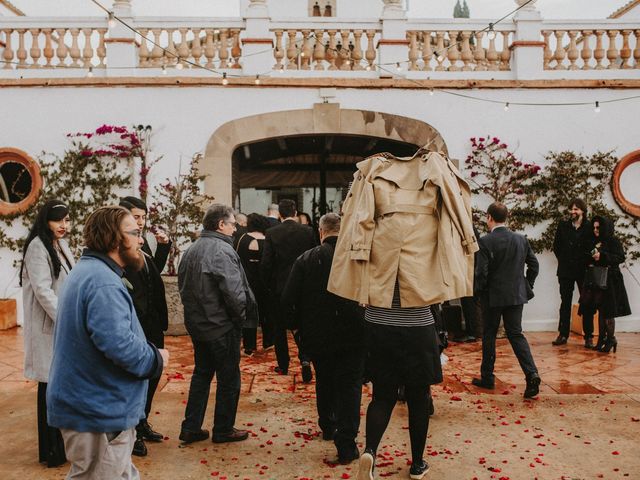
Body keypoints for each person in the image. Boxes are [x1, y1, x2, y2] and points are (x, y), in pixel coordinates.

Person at [47, 206, 168, 480]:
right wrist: (156, 358)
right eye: (135, 233)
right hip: (97, 412)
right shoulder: (102, 282)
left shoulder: (92, 272)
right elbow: (119, 345)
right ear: (114, 239)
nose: (140, 240)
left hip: (96, 408)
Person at [282, 213, 365, 464]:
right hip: (354, 334)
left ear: (321, 232)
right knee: (350, 387)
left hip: (318, 336)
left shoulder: (306, 260)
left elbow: (288, 301)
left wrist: (297, 329)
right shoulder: (357, 258)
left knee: (325, 380)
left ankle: (327, 425)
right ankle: (346, 445)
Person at [178, 204, 256, 444]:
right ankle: (223, 429)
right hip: (221, 326)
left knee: (202, 374)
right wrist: (239, 319)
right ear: (221, 225)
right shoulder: (222, 250)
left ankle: (191, 427)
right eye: (233, 224)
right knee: (229, 378)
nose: (235, 228)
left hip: (200, 325)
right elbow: (234, 293)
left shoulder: (191, 250)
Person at [21, 199, 74, 468]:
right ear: (46, 221)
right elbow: (43, 290)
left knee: (59, 386)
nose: (64, 225)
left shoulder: (60, 245)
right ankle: (50, 451)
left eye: (66, 220)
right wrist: (65, 318)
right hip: (49, 326)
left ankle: (60, 446)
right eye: (58, 220)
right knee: (48, 388)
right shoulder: (37, 247)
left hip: (60, 326)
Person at [471, 202, 541, 399]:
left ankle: (487, 377)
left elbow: (481, 273)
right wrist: (527, 285)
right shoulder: (521, 240)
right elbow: (534, 265)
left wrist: (478, 292)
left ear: (489, 218)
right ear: (506, 218)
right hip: (516, 295)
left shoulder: (485, 242)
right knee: (516, 334)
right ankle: (531, 373)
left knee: (489, 334)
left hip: (492, 297)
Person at [119, 196, 171, 457]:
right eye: (136, 217)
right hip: (135, 324)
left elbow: (152, 272)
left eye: (143, 216)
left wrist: (163, 247)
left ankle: (143, 421)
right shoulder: (122, 246)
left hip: (152, 323)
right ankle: (134, 432)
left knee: (152, 377)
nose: (141, 222)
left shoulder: (142, 244)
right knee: (136, 379)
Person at [261, 199, 316, 381]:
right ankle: (306, 359)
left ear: (280, 215)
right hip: (303, 287)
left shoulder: (271, 233)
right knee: (305, 325)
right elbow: (314, 258)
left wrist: (267, 286)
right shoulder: (307, 231)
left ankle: (283, 365)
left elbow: (267, 264)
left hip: (280, 288)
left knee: (279, 329)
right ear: (295, 212)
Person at [579, 215, 631, 353]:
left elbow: (620, 257)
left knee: (608, 312)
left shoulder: (613, 241)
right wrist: (589, 258)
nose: (596, 230)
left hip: (611, 280)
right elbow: (585, 257)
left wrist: (602, 257)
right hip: (597, 280)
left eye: (598, 227)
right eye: (594, 227)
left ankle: (611, 339)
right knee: (601, 311)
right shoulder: (592, 241)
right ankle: (601, 339)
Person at [552, 198, 594, 347]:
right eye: (571, 209)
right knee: (565, 302)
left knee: (587, 302)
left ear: (583, 211)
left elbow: (592, 247)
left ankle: (588, 336)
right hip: (565, 270)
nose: (573, 212)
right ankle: (563, 334)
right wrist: (564, 260)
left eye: (576, 209)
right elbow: (556, 246)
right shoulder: (563, 226)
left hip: (583, 271)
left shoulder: (589, 227)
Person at [236, 213, 273, 354]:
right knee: (267, 312)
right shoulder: (268, 239)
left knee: (249, 315)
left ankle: (249, 347)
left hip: (247, 282)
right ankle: (269, 341)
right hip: (265, 282)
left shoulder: (243, 239)